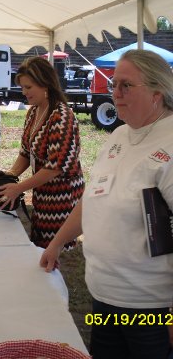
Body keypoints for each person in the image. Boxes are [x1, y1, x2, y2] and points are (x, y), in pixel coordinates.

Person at [40, 49, 173, 359]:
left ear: (158, 92)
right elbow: (93, 199)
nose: (115, 94)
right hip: (103, 294)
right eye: (113, 85)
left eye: (125, 86)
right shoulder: (119, 136)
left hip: (149, 305)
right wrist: (57, 243)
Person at [0, 56, 84, 250]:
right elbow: (26, 153)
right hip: (42, 194)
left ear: (45, 85)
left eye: (28, 87)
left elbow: (56, 167)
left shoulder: (62, 117)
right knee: (40, 245)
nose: (24, 92)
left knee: (54, 250)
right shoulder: (34, 112)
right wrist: (9, 176)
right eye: (23, 87)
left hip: (62, 198)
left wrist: (19, 188)